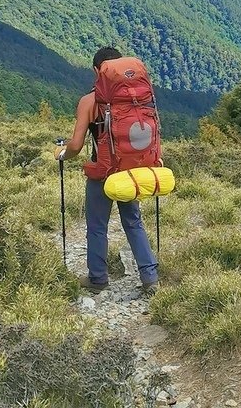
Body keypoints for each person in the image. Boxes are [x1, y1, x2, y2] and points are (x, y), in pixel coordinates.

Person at [56, 46, 159, 296]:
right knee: (133, 222)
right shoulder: (138, 98)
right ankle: (150, 277)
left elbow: (76, 146)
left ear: (96, 71)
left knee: (97, 226)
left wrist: (61, 154)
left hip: (103, 173)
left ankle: (98, 278)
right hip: (132, 171)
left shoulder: (90, 101)